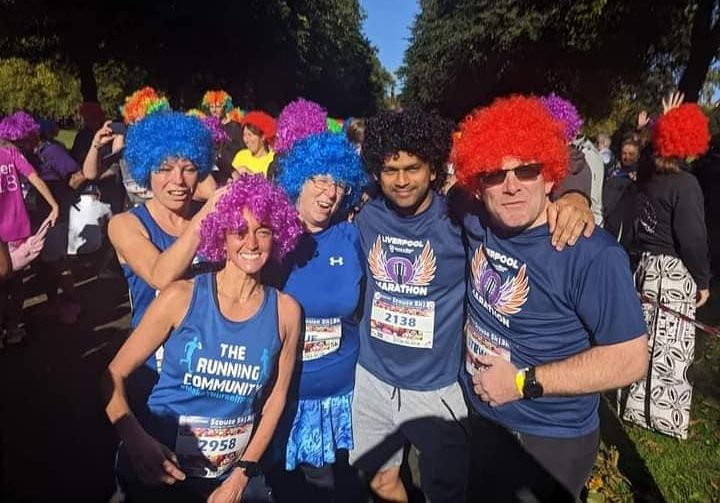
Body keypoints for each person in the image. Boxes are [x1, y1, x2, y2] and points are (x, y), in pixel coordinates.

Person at [350, 108, 593, 502]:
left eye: (412, 167)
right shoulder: (366, 213)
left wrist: (575, 195)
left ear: (434, 169)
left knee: (445, 491)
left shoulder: (460, 216)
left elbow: (556, 165)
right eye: (391, 169)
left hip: (437, 389)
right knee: (381, 482)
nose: (401, 180)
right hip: (372, 379)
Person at [451, 95, 648, 501]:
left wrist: (524, 382)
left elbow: (630, 360)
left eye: (526, 169)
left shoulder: (590, 253)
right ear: (477, 182)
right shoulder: (476, 219)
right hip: (481, 418)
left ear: (550, 174)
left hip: (546, 437)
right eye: (494, 173)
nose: (510, 186)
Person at [104, 175, 303, 502]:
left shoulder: (287, 312)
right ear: (221, 235)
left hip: (229, 477)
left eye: (263, 231)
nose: (251, 243)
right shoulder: (180, 296)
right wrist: (135, 440)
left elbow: (276, 399)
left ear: (277, 236)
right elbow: (112, 376)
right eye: (239, 230)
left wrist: (241, 477)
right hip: (159, 466)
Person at [268, 132, 368, 501]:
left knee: (340, 490)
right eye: (321, 179)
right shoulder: (268, 237)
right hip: (283, 399)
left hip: (342, 399)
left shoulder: (351, 236)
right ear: (299, 177)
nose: (331, 193)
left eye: (340, 183)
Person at [108, 111, 223, 411]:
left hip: (211, 368)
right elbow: (160, 275)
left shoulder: (211, 214)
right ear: (147, 171)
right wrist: (208, 213)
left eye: (188, 168)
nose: (178, 180)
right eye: (164, 168)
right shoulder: (125, 224)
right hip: (152, 369)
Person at [620, 101, 711, 440]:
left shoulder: (647, 178)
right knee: (669, 349)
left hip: (644, 269)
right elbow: (693, 239)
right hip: (672, 273)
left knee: (642, 339)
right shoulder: (685, 185)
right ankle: (661, 416)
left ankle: (633, 406)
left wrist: (658, 123)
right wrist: (702, 280)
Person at [0, 112, 59, 344]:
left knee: (6, 281)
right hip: (17, 225)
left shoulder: (9, 152)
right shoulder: (11, 153)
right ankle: (13, 326)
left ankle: (6, 327)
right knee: (16, 281)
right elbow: (35, 178)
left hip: (12, 227)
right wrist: (54, 205)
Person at [33, 119, 86, 323]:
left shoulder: (52, 152)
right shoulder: (30, 154)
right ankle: (54, 302)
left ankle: (73, 303)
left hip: (55, 216)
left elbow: (78, 175)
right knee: (45, 264)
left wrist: (63, 196)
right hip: (37, 217)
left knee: (57, 262)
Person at [201, 90, 244, 180]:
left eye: (218, 106)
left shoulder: (235, 127)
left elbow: (242, 150)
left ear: (225, 107)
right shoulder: (208, 127)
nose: (214, 110)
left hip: (232, 171)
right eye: (211, 106)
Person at [231, 112, 276, 178]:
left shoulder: (273, 159)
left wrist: (251, 174)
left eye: (250, 135)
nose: (246, 140)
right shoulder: (241, 156)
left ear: (263, 136)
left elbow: (273, 186)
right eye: (244, 135)